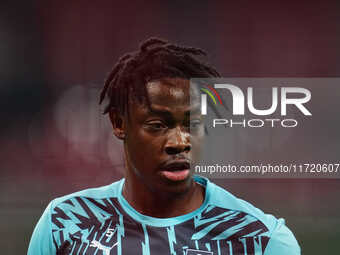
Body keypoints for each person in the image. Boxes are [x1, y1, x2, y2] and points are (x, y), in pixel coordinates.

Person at [28, 37, 301, 255]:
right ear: (119, 123)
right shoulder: (63, 224)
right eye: (158, 125)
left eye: (192, 125)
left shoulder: (262, 240)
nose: (179, 142)